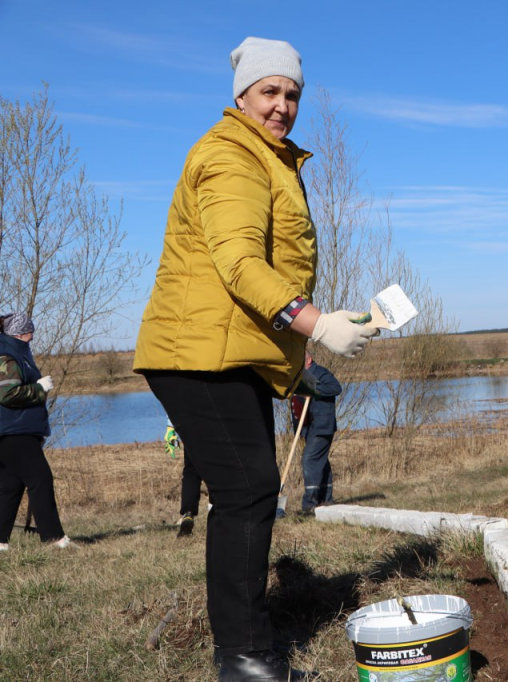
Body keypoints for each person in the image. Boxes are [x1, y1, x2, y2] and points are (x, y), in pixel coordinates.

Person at [133, 36, 376, 681]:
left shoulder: (268, 159)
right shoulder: (232, 156)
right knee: (248, 489)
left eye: (293, 94)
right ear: (241, 95)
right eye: (270, 91)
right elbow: (240, 265)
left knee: (248, 490)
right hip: (196, 355)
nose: (282, 105)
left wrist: (300, 360)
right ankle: (244, 659)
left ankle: (244, 649)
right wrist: (316, 323)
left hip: (225, 353)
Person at [0, 312, 74, 551]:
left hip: (16, 429)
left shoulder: (18, 352)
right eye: (30, 330)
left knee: (10, 486)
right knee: (40, 479)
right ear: (21, 333)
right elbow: (7, 394)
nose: (33, 335)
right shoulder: (8, 356)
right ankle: (54, 538)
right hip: (14, 430)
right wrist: (39, 388)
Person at [290, 352, 342, 515]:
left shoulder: (321, 372)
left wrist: (313, 389)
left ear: (309, 360)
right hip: (308, 427)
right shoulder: (299, 377)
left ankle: (310, 504)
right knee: (321, 462)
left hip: (322, 426)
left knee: (310, 460)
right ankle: (326, 500)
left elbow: (336, 388)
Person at [165, 417, 202, 538]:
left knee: (191, 471)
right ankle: (218, 515)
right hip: (216, 424)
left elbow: (174, 405)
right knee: (217, 471)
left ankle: (188, 513)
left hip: (191, 425)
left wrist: (170, 428)